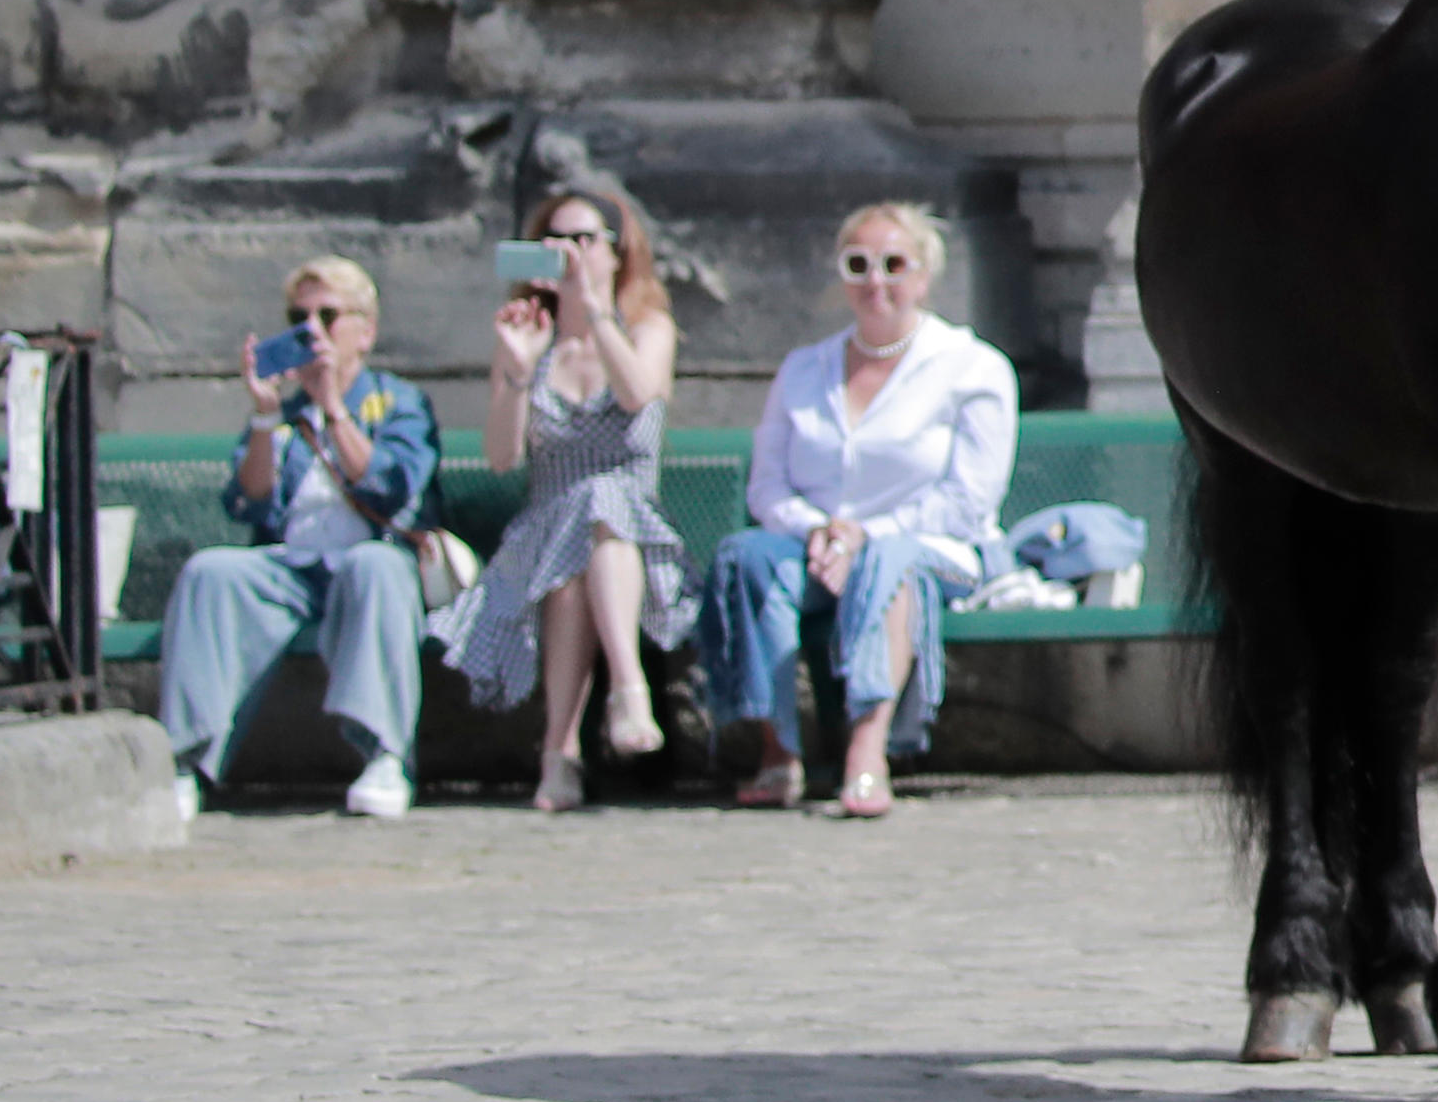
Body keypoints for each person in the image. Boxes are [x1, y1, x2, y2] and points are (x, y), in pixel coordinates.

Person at [702, 201, 1015, 818]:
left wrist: (863, 535)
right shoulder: (804, 370)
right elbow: (766, 486)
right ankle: (777, 751)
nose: (877, 280)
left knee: (887, 563)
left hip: (932, 550)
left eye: (894, 263)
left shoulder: (971, 367)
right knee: (746, 557)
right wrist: (819, 529)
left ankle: (867, 752)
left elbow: (969, 499)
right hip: (812, 546)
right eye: (859, 264)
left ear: (924, 276)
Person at [153, 257, 440, 821]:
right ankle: (184, 761)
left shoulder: (399, 402)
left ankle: (384, 754)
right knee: (211, 572)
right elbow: (250, 502)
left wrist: (334, 407)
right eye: (298, 317)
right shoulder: (285, 413)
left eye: (328, 315)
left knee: (374, 569)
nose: (312, 330)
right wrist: (263, 417)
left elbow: (392, 486)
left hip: (372, 561)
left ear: (366, 330)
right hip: (290, 568)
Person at [433, 182, 689, 812]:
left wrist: (597, 313)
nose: (569, 254)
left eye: (583, 240)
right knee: (574, 547)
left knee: (603, 506)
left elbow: (637, 395)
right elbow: (501, 456)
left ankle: (570, 742)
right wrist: (519, 371)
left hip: (634, 538)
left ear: (615, 252)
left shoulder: (647, 326)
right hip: (544, 531)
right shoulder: (528, 337)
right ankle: (606, 716)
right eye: (555, 241)